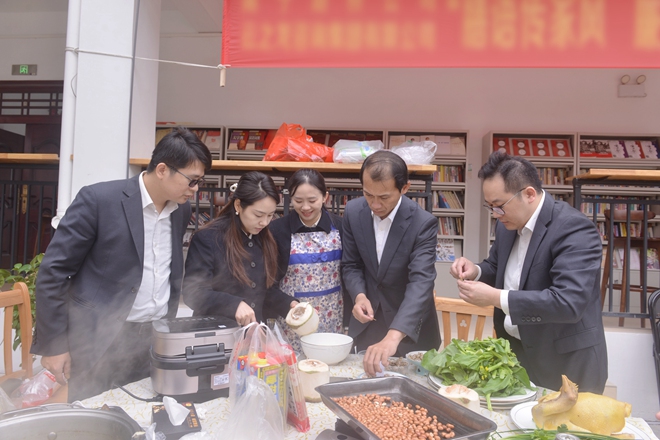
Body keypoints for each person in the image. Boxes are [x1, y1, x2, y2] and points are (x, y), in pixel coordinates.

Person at [31, 127, 212, 402]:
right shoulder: (99, 200)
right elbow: (53, 272)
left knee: (144, 410)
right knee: (88, 411)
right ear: (162, 169)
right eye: (192, 180)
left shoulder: (180, 210)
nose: (195, 189)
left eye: (200, 181)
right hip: (101, 339)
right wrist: (54, 345)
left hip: (153, 338)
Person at [450, 151, 607, 393]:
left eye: (499, 206)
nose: (495, 214)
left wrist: (495, 297)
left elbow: (568, 302)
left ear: (529, 194)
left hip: (566, 363)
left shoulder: (574, 228)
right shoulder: (507, 225)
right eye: (490, 206)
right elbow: (500, 268)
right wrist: (477, 270)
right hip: (520, 356)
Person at [342, 150, 441, 376]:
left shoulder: (423, 223)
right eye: (368, 194)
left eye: (384, 197)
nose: (375, 204)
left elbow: (421, 282)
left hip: (409, 329)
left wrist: (394, 335)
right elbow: (351, 264)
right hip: (368, 324)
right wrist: (359, 296)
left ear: (404, 188)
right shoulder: (353, 212)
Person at [183, 171, 297, 325]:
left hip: (252, 332)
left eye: (270, 215)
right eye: (258, 215)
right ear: (238, 205)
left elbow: (265, 291)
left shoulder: (265, 239)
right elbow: (193, 292)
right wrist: (233, 305)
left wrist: (290, 305)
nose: (264, 222)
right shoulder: (208, 238)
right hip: (215, 332)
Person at [267, 168, 347, 353]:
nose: (305, 207)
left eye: (312, 201)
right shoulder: (276, 231)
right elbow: (268, 283)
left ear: (325, 197)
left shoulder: (341, 227)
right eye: (298, 201)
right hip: (292, 318)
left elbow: (350, 271)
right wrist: (289, 305)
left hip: (333, 317)